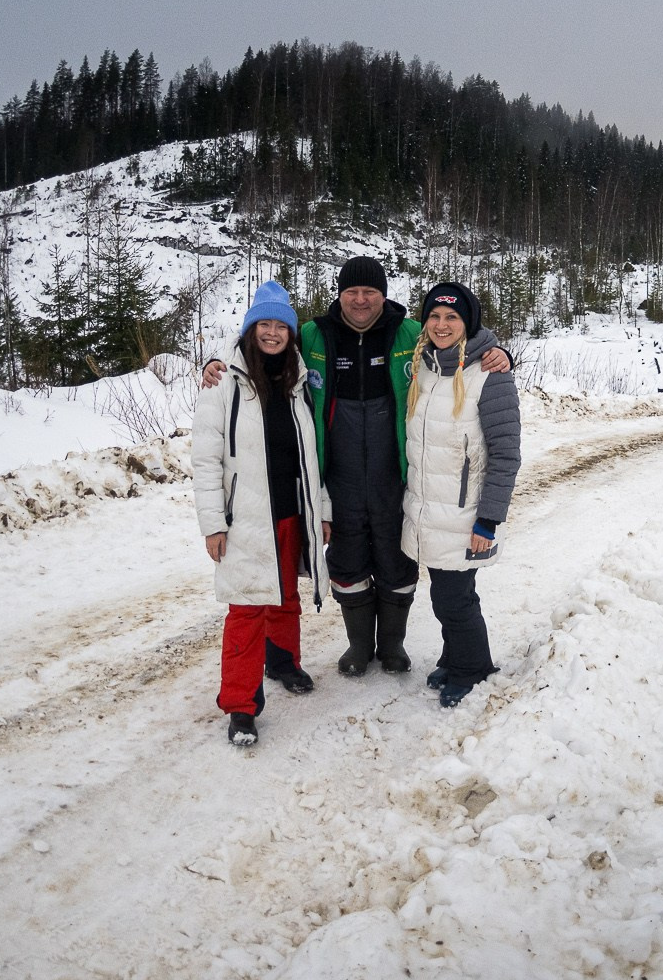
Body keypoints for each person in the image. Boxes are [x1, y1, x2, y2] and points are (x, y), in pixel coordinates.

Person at [202, 257, 510, 680]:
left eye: (370, 291)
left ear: (383, 294)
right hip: (338, 471)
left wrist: (498, 350)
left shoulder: (408, 332)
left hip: (394, 471)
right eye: (352, 291)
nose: (361, 300)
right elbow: (262, 345)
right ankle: (359, 645)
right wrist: (216, 362)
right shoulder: (313, 334)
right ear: (339, 294)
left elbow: (457, 335)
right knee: (347, 558)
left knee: (394, 556)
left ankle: (394, 646)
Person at [191, 281, 332, 746]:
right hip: (245, 516)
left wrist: (322, 509)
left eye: (281, 326)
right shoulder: (222, 383)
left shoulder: (298, 381)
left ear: (291, 334)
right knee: (247, 608)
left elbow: (314, 456)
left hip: (292, 509)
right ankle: (241, 706)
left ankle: (283, 660)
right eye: (264, 325)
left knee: (286, 592)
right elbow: (206, 459)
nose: (272, 333)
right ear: (251, 329)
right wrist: (213, 523)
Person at [402, 282, 521, 708]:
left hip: (465, 513)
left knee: (455, 597)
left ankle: (474, 667)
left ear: (468, 322)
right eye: (434, 316)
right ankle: (455, 658)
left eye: (452, 317)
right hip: (431, 511)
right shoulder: (426, 368)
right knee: (445, 592)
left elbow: (506, 454)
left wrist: (488, 519)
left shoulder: (491, 374)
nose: (441, 324)